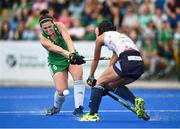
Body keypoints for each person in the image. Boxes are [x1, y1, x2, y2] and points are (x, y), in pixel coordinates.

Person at [80, 20, 147, 121]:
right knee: (111, 84)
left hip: (126, 60)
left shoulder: (101, 38)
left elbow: (96, 60)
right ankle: (135, 102)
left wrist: (91, 76)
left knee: (99, 82)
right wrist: (104, 85)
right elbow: (112, 66)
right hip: (139, 63)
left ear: (99, 30)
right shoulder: (121, 37)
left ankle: (92, 114)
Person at [38, 9, 86, 117]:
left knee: (78, 76)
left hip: (70, 53)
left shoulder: (60, 26)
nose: (48, 29)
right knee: (61, 90)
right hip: (56, 60)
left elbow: (68, 39)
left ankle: (79, 108)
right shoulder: (43, 39)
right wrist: (70, 55)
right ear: (41, 28)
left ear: (53, 23)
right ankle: (56, 107)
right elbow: (58, 49)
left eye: (50, 26)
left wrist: (73, 53)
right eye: (45, 28)